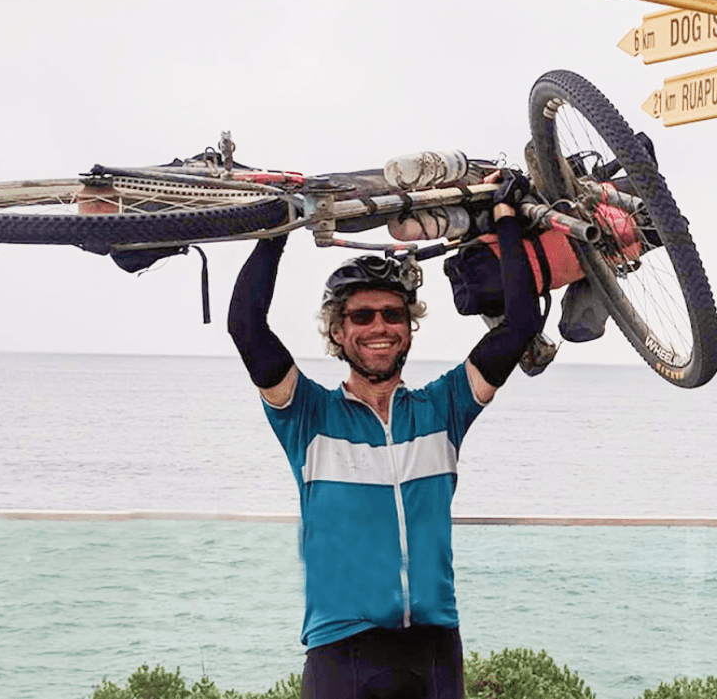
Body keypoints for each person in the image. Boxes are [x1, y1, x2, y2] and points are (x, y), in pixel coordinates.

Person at [227, 174, 545, 699]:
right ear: (338, 331)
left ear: (409, 327)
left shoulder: (444, 407)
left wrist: (507, 222)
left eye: (393, 314)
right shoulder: (307, 414)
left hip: (435, 646)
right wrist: (276, 231)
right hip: (341, 649)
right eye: (362, 315)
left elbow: (518, 326)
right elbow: (246, 327)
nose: (379, 326)